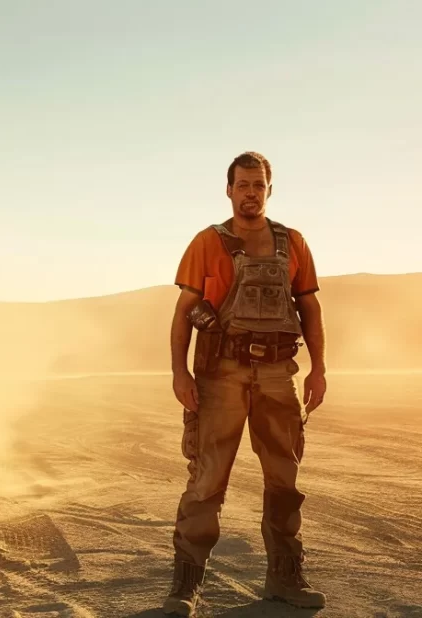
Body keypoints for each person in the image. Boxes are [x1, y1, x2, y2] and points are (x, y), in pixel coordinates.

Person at [163, 152, 328, 616]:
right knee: (207, 479)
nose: (251, 192)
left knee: (284, 479)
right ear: (229, 189)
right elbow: (183, 314)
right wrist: (180, 372)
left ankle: (285, 578)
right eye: (243, 185)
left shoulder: (292, 242)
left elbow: (310, 309)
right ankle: (185, 586)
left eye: (259, 185)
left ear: (269, 190)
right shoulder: (206, 242)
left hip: (279, 373)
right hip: (221, 375)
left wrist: (319, 368)